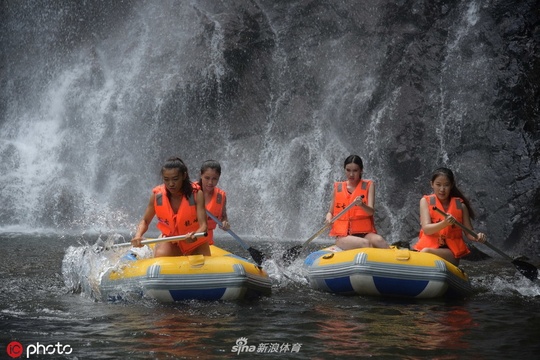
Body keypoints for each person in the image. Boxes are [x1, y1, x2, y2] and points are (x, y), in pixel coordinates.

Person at [131, 157, 209, 257]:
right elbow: (145, 221)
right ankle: (159, 245)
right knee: (161, 254)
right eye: (166, 180)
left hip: (195, 243)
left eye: (175, 179)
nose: (171, 184)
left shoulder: (197, 194)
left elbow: (204, 226)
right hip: (172, 241)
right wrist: (138, 235)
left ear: (184, 176)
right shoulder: (157, 196)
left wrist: (195, 235)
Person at [414, 167, 486, 265]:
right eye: (438, 185)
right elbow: (426, 229)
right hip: (430, 248)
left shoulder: (461, 206)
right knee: (425, 252)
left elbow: (469, 232)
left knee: (426, 252)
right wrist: (445, 223)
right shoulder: (425, 202)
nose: (442, 189)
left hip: (450, 253)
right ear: (432, 184)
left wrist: (477, 236)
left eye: (446, 185)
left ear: (451, 185)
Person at [326, 155, 389, 250]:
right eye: (348, 170)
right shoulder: (338, 188)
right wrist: (328, 218)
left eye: (355, 170)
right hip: (344, 236)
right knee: (365, 244)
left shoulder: (368, 185)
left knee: (380, 240)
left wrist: (362, 205)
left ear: (361, 170)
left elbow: (371, 212)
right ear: (344, 169)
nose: (351, 174)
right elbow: (330, 212)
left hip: (364, 233)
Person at [198, 160, 229, 245]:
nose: (210, 182)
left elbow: (223, 217)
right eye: (207, 178)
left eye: (214, 179)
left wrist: (225, 223)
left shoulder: (221, 196)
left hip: (207, 242)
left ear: (219, 177)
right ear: (201, 175)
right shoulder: (189, 192)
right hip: (186, 238)